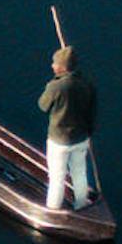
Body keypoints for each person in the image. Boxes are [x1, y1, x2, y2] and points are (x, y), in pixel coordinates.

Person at [39, 44, 99, 214]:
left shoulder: (56, 87)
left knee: (57, 177)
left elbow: (43, 106)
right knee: (79, 173)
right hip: (81, 139)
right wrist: (89, 132)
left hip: (59, 142)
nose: (52, 65)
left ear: (62, 67)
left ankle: (53, 210)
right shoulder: (87, 85)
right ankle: (81, 206)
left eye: (54, 63)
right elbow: (92, 112)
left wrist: (52, 84)